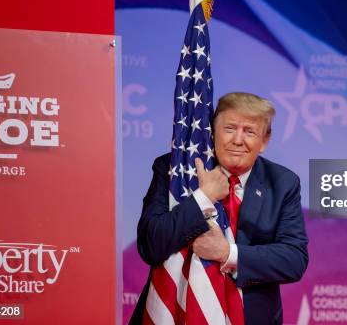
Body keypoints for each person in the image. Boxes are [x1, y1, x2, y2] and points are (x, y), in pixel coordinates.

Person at [130, 92, 309, 324]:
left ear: (264, 141)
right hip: (176, 314)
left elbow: (294, 260)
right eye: (229, 128)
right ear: (212, 132)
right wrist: (202, 198)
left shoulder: (283, 182)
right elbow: (150, 244)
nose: (237, 140)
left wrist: (227, 253)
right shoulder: (174, 170)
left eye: (250, 131)